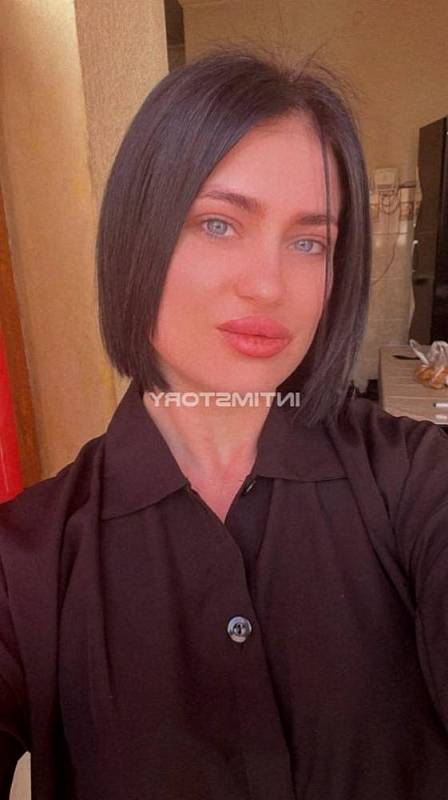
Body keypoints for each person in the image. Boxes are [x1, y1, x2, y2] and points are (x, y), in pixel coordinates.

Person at [1, 46, 448, 800]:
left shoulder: (416, 479)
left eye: (309, 242)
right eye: (218, 223)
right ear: (137, 237)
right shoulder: (28, 565)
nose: (269, 284)